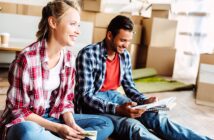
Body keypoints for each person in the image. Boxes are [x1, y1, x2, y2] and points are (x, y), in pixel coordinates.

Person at [75, 15, 211, 140]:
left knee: (155, 117)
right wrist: (118, 109)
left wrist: (144, 100)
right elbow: (86, 96)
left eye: (128, 41)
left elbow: (129, 86)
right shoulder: (88, 54)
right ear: (110, 35)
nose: (126, 45)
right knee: (133, 126)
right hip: (94, 104)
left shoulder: (124, 55)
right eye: (122, 40)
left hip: (114, 96)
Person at [0, 0, 114, 140]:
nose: (78, 31)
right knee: (27, 132)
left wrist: (71, 124)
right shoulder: (26, 59)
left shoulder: (68, 59)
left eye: (78, 25)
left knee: (106, 123)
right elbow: (18, 111)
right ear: (53, 22)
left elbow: (65, 102)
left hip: (53, 117)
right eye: (72, 24)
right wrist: (58, 128)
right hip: (28, 122)